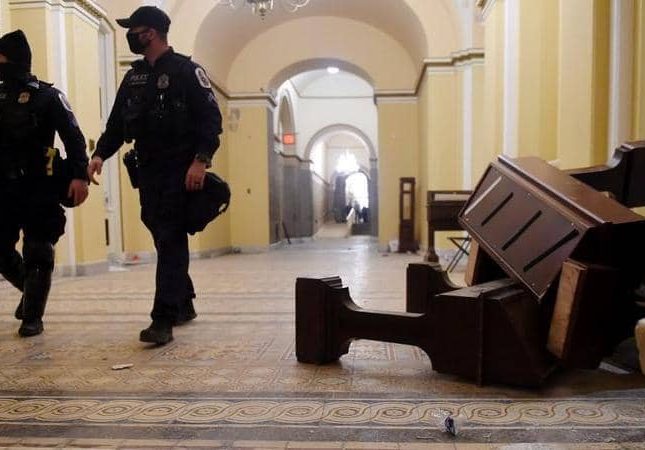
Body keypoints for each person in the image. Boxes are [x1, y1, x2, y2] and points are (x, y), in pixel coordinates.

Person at [88, 6, 223, 345]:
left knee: (170, 238)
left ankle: (162, 319)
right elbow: (117, 124)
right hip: (148, 172)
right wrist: (99, 154)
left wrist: (201, 161)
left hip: (180, 170)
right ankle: (184, 301)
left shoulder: (187, 71)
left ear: (149, 33)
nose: (129, 36)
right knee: (161, 234)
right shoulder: (133, 77)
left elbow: (211, 121)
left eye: (133, 31)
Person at [0, 30, 89, 337]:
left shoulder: (48, 96)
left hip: (38, 184)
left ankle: (32, 317)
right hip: (4, 187)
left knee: (38, 250)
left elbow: (74, 138)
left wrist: (80, 175)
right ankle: (30, 291)